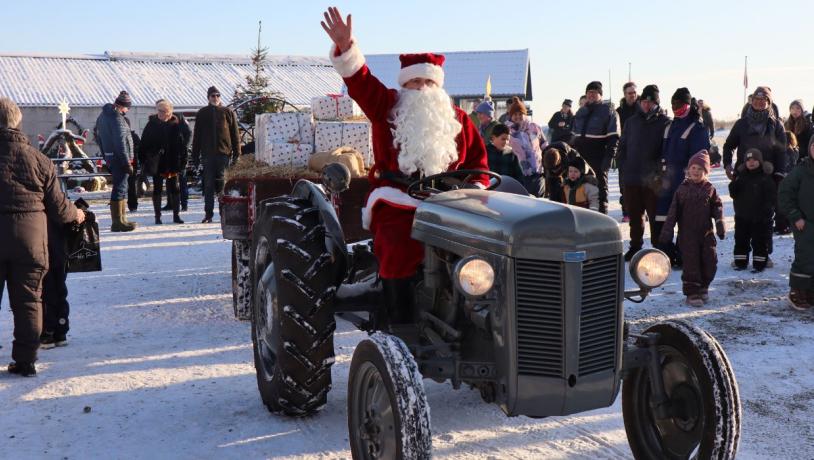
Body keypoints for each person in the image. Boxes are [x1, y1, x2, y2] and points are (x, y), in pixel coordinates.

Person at [321, 7, 489, 322]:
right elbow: (361, 82)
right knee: (399, 243)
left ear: (438, 87)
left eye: (428, 82)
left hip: (452, 202)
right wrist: (347, 48)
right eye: (415, 83)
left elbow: (478, 165)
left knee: (482, 249)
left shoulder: (459, 120)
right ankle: (400, 321)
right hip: (398, 200)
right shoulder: (387, 107)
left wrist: (473, 191)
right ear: (404, 86)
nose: (422, 89)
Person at [0, 97, 85, 376]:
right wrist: (78, 215)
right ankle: (26, 361)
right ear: (17, 122)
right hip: (31, 241)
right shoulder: (40, 160)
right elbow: (59, 208)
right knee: (29, 301)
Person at [723, 86, 787, 263]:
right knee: (743, 216)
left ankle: (764, 253)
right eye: (756, 100)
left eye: (763, 100)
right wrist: (728, 165)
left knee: (765, 218)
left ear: (768, 103)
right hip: (744, 176)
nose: (759, 103)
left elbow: (782, 151)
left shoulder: (776, 125)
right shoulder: (741, 124)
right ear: (751, 101)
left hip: (767, 177)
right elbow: (728, 146)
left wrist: (780, 174)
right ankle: (741, 254)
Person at [659, 151, 725, 307]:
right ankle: (692, 292)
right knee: (691, 264)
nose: (696, 171)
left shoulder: (710, 189)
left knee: (710, 262)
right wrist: (666, 232)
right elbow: (673, 212)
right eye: (693, 168)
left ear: (706, 172)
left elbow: (717, 206)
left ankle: (703, 287)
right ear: (688, 170)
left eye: (700, 169)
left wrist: (720, 223)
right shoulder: (682, 189)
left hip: (706, 233)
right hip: (687, 236)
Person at [656, 88, 710, 265]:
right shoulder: (671, 126)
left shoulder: (697, 127)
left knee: (686, 219)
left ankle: (683, 254)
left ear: (687, 104)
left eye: (678, 104)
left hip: (685, 178)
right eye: (672, 104)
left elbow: (700, 156)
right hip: (666, 179)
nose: (675, 108)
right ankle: (664, 252)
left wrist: (693, 178)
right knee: (663, 218)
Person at [617, 84, 670, 261]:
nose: (646, 105)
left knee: (655, 216)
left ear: (656, 102)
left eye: (650, 101)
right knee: (634, 215)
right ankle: (635, 246)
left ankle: (657, 246)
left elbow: (667, 151)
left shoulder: (664, 123)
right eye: (644, 101)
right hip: (632, 176)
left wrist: (659, 173)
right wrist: (623, 166)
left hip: (653, 179)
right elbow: (623, 147)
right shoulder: (632, 122)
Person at [191, 86, 241, 223]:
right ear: (208, 97)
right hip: (207, 155)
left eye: (217, 95)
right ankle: (208, 214)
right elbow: (197, 136)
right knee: (208, 186)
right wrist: (195, 155)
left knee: (223, 186)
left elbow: (235, 135)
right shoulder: (202, 113)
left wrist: (237, 153)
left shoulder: (228, 112)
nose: (215, 98)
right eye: (213, 95)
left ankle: (224, 214)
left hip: (224, 154)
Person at [572, 81, 620, 214]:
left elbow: (614, 137)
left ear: (600, 95)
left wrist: (609, 157)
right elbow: (573, 135)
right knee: (580, 188)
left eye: (594, 92)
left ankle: (602, 215)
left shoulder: (608, 111)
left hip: (598, 155)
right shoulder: (581, 111)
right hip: (581, 156)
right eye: (589, 92)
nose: (591, 95)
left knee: (599, 188)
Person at [140, 99, 189, 225]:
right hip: (158, 162)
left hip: (173, 162)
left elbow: (182, 145)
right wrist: (144, 160)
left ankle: (176, 215)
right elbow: (143, 144)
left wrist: (183, 161)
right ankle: (157, 216)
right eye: (160, 111)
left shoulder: (176, 125)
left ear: (169, 113)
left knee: (175, 189)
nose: (161, 113)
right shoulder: (152, 124)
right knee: (157, 189)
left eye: (164, 111)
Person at [779, 136, 814, 310]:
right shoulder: (801, 171)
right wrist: (795, 216)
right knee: (806, 257)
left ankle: (811, 292)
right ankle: (797, 292)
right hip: (805, 223)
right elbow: (784, 194)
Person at [728, 148, 776, 272]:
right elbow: (734, 194)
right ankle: (740, 262)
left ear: (760, 161)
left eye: (754, 159)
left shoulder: (765, 178)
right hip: (742, 216)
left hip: (760, 218)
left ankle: (760, 263)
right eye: (748, 160)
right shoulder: (741, 177)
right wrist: (733, 183)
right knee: (741, 240)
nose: (751, 162)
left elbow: (771, 196)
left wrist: (767, 209)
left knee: (759, 241)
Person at [95, 90, 137, 232]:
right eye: (127, 107)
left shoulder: (102, 117)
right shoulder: (117, 118)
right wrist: (126, 162)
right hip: (120, 158)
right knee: (120, 187)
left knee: (120, 187)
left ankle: (122, 219)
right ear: (122, 106)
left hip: (111, 157)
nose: (127, 110)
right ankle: (118, 222)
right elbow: (120, 142)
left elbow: (98, 138)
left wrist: (106, 156)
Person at [507, 99, 546, 196]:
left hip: (538, 171)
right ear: (511, 116)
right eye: (515, 114)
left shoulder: (534, 127)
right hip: (520, 172)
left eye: (520, 114)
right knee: (524, 200)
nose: (518, 117)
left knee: (539, 200)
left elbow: (544, 143)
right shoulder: (508, 130)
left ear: (525, 114)